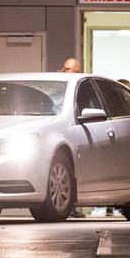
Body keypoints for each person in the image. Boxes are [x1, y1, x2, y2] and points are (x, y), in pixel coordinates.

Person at [59, 58, 85, 218]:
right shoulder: (59, 86)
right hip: (63, 129)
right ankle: (67, 206)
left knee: (75, 169)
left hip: (77, 130)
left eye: (74, 70)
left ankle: (72, 207)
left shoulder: (80, 87)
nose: (71, 73)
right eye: (68, 69)